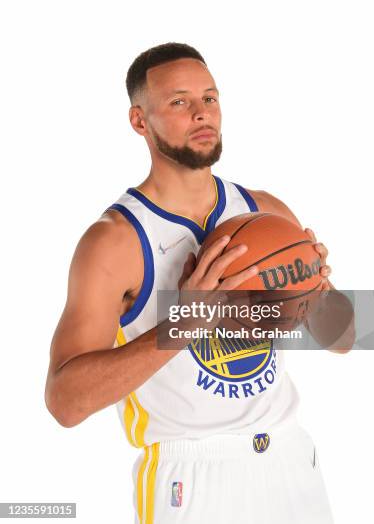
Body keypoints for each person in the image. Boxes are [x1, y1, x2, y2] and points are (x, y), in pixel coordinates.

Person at [45, 42, 352, 523]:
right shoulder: (115, 242)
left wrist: (317, 290)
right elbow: (65, 403)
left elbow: (343, 341)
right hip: (193, 476)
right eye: (179, 102)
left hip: (293, 460)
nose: (201, 113)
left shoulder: (265, 211)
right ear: (139, 121)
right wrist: (183, 323)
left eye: (210, 98)